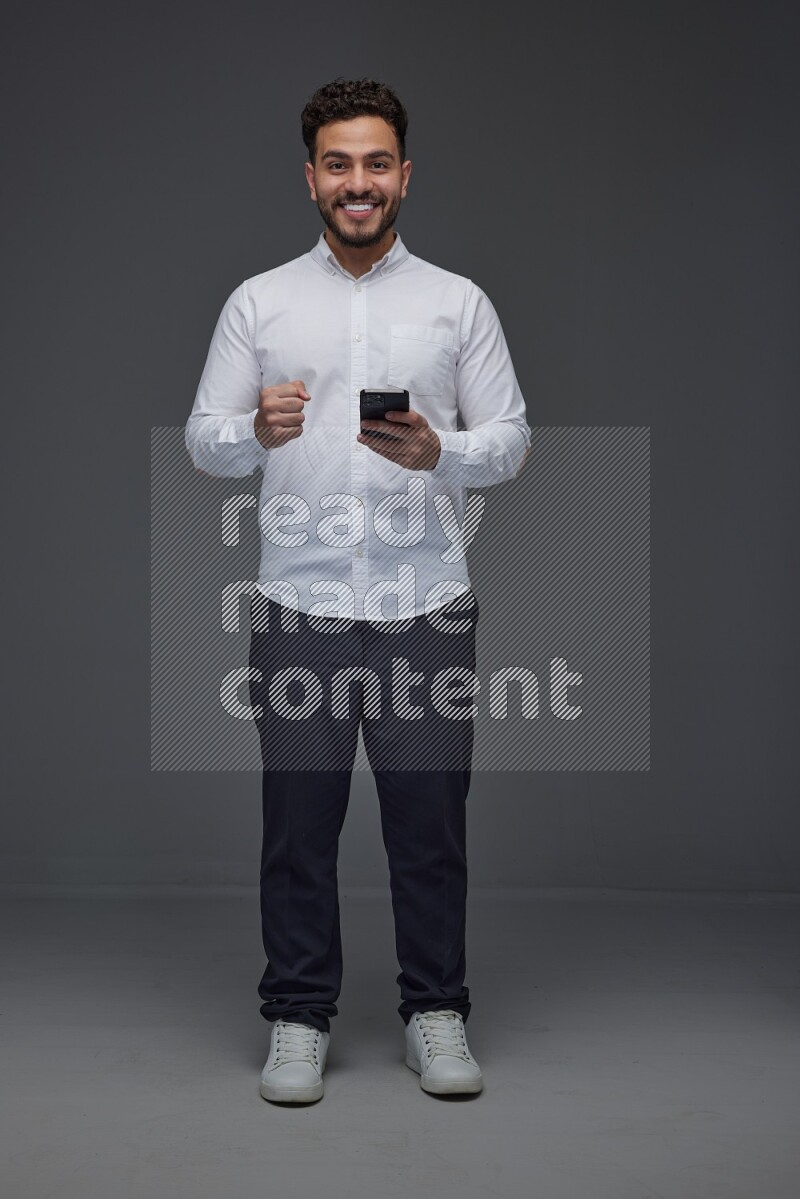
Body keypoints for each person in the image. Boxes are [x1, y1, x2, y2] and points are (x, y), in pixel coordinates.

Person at [185, 77, 531, 1104]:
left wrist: (442, 448)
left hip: (426, 602)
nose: (357, 182)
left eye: (375, 162)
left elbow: (509, 440)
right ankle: (297, 1015)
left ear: (404, 175)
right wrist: (254, 431)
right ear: (310, 179)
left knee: (427, 816)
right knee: (300, 819)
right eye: (337, 163)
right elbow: (204, 441)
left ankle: (436, 1010)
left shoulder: (455, 302)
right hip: (300, 604)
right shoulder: (260, 301)